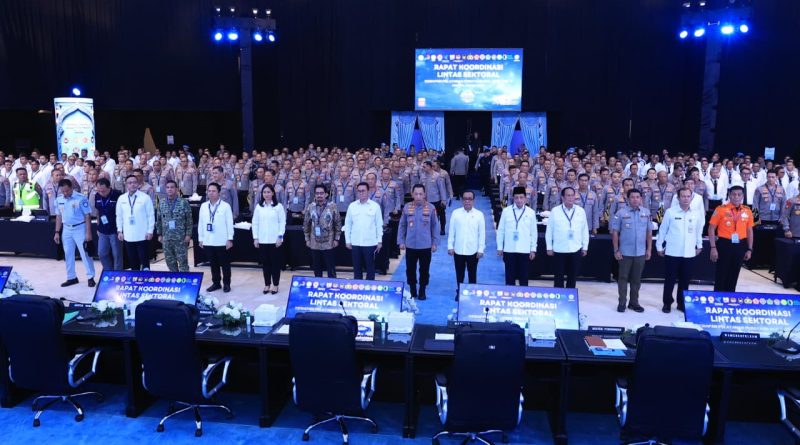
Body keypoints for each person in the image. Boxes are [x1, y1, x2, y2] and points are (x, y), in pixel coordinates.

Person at [656, 187, 704, 313]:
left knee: (685, 280)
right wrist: (659, 246)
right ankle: (667, 303)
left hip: (689, 253)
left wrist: (699, 245)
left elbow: (698, 231)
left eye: (688, 196)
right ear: (678, 198)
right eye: (683, 196)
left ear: (691, 198)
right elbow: (663, 230)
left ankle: (681, 303)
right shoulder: (670, 212)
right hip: (672, 252)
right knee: (670, 280)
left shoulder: (696, 213)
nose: (686, 199)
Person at [611, 188, 652, 312]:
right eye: (632, 197)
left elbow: (649, 233)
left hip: (640, 252)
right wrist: (616, 250)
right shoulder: (620, 213)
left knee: (636, 280)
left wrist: (649, 249)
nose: (635, 199)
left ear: (641, 199)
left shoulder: (646, 213)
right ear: (628, 199)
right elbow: (615, 233)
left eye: (637, 197)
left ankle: (634, 303)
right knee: (623, 278)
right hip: (625, 252)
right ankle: (622, 302)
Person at [397, 184, 440, 300]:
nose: (418, 196)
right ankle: (412, 289)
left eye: (421, 194)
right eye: (416, 194)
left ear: (424, 194)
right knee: (410, 269)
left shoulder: (431, 208)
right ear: (412, 194)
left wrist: (435, 243)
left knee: (424, 269)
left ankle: (422, 289)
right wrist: (401, 241)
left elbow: (435, 226)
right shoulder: (407, 207)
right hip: (410, 245)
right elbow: (402, 225)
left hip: (425, 245)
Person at [709, 185, 754, 292]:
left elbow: (749, 231)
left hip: (740, 245)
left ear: (743, 196)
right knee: (721, 273)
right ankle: (718, 297)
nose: (736, 197)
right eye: (733, 194)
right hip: (724, 244)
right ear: (729, 195)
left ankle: (730, 296)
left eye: (739, 194)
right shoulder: (720, 209)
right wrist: (713, 247)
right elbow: (711, 229)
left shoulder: (747, 211)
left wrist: (749, 249)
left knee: (734, 273)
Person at [53, 179, 95, 287]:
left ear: (72, 188)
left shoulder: (81, 198)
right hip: (66, 229)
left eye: (67, 190)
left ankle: (90, 277)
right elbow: (58, 216)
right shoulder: (59, 199)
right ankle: (71, 277)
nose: (65, 193)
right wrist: (57, 232)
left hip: (80, 228)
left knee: (84, 253)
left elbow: (87, 216)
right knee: (68, 253)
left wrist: (88, 233)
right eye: (63, 191)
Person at [545, 187, 590, 288]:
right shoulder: (555, 211)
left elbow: (584, 230)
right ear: (562, 197)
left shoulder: (580, 211)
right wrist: (549, 247)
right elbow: (549, 231)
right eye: (568, 195)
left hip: (575, 248)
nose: (570, 198)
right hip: (559, 249)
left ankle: (570, 295)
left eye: (572, 195)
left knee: (572, 277)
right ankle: (558, 295)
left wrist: (585, 247)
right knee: (558, 277)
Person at [448, 190, 486, 300]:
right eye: (465, 199)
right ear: (461, 200)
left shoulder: (479, 215)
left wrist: (481, 249)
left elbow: (482, 234)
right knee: (459, 273)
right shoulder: (455, 213)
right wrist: (450, 246)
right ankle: (459, 291)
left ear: (473, 200)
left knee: (472, 273)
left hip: (473, 250)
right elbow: (451, 231)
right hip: (458, 249)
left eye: (470, 199)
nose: (467, 201)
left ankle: (472, 292)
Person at [496, 186, 538, 286]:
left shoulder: (531, 213)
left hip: (524, 249)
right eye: (516, 197)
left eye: (521, 197)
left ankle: (523, 295)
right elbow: (501, 230)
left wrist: (533, 249)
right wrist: (500, 247)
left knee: (524, 277)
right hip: (509, 249)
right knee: (509, 277)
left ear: (525, 198)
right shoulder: (506, 211)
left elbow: (533, 232)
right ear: (513, 198)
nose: (519, 200)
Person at [198, 182, 234, 292]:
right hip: (208, 240)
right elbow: (201, 223)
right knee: (213, 264)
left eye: (213, 191)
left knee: (225, 264)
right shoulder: (204, 206)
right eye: (209, 191)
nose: (211, 193)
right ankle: (216, 283)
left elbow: (229, 224)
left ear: (219, 193)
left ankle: (226, 284)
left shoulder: (225, 206)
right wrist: (201, 238)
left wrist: (230, 239)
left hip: (222, 241)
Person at [344, 182, 383, 280]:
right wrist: (347, 240)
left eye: (363, 191)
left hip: (370, 243)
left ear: (368, 191)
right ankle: (358, 287)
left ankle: (370, 287)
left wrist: (379, 241)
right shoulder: (352, 206)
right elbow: (348, 224)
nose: (361, 193)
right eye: (359, 191)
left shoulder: (375, 206)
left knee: (370, 268)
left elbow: (379, 225)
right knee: (357, 268)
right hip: (355, 242)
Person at [116, 175, 155, 271]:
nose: (132, 184)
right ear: (126, 184)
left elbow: (151, 215)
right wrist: (119, 230)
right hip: (128, 235)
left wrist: (150, 231)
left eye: (134, 182)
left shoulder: (145, 198)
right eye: (130, 183)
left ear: (138, 184)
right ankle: (135, 277)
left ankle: (146, 277)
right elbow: (119, 216)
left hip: (143, 235)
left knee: (144, 261)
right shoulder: (121, 198)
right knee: (133, 261)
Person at [252, 183, 286, 294]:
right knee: (265, 264)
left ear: (273, 193)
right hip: (262, 240)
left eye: (268, 192)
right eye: (264, 192)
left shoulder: (278, 206)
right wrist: (255, 238)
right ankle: (267, 284)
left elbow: (282, 223)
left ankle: (275, 285)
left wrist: (280, 237)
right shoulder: (259, 207)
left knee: (275, 264)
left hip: (275, 241)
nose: (266, 194)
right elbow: (255, 223)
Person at [303, 184, 342, 278]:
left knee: (330, 268)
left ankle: (332, 284)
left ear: (326, 194)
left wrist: (336, 239)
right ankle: (318, 284)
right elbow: (306, 224)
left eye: (321, 193)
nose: (319, 195)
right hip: (314, 242)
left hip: (329, 242)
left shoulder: (332, 206)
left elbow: (338, 223)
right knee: (317, 268)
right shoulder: (310, 207)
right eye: (317, 193)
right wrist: (307, 239)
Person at [156, 180, 192, 272]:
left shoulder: (183, 202)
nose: (170, 189)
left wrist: (188, 234)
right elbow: (159, 220)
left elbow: (189, 219)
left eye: (172, 187)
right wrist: (159, 234)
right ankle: (175, 278)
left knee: (183, 262)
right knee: (170, 262)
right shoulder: (162, 203)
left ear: (176, 189)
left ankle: (184, 279)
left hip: (180, 238)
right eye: (167, 187)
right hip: (167, 238)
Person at [93, 178, 123, 271]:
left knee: (117, 254)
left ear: (109, 187)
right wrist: (98, 226)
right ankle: (108, 272)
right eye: (99, 190)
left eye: (103, 191)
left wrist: (121, 230)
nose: (101, 193)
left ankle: (117, 274)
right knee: (102, 253)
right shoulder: (97, 195)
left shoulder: (118, 195)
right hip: (102, 230)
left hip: (115, 230)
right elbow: (98, 211)